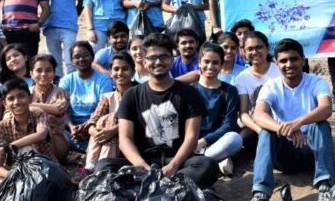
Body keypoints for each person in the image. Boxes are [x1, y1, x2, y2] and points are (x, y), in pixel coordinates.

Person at [117, 33, 219, 188]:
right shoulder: (131, 95)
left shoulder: (189, 93)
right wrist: (142, 167)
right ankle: (168, 188)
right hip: (143, 162)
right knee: (104, 167)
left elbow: (192, 137)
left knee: (207, 166)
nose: (158, 62)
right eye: (152, 58)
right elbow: (125, 139)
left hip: (178, 162)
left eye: (164, 57)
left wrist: (173, 166)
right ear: (144, 61)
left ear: (172, 59)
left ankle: (156, 188)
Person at [249, 38, 335, 201]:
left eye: (294, 59)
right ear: (276, 63)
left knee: (321, 125)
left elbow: (326, 109)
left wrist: (298, 123)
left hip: (312, 150)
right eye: (283, 61)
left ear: (303, 60)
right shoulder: (271, 86)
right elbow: (258, 115)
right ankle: (260, 195)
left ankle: (326, 187)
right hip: (285, 155)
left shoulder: (316, 82)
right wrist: (285, 129)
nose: (289, 64)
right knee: (266, 131)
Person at [0, 78, 56, 188]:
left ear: (30, 98)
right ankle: (22, 188)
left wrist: (6, 148)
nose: (16, 102)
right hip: (18, 176)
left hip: (45, 170)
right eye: (11, 99)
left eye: (21, 96)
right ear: (5, 104)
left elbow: (41, 134)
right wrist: (13, 175)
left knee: (26, 149)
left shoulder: (38, 114)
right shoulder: (2, 127)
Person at [194, 42, 243, 177]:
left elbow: (229, 125)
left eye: (215, 62)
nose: (210, 66)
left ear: (221, 65)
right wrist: (194, 142)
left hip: (219, 142)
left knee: (235, 138)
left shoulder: (229, 91)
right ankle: (217, 161)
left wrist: (203, 141)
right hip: (193, 143)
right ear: (199, 63)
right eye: (206, 62)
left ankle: (204, 161)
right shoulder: (190, 90)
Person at [83, 52, 136, 171]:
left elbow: (140, 120)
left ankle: (99, 168)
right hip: (105, 138)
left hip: (132, 139)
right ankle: (93, 165)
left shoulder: (138, 93)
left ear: (133, 72)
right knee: (102, 121)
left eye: (125, 69)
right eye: (116, 69)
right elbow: (94, 119)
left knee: (111, 119)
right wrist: (95, 132)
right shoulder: (108, 96)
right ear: (111, 73)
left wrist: (114, 130)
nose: (120, 73)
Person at [59, 41, 114, 151]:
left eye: (85, 55)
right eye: (77, 57)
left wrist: (87, 126)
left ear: (92, 56)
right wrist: (71, 127)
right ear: (72, 60)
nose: (81, 59)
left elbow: (104, 109)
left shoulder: (104, 80)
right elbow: (62, 109)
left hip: (95, 124)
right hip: (71, 126)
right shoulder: (66, 80)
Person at [235, 30, 281, 152]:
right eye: (249, 49)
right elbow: (244, 113)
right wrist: (259, 130)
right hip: (257, 125)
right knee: (245, 138)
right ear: (244, 52)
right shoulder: (242, 77)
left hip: (281, 122)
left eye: (259, 47)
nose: (254, 52)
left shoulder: (279, 70)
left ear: (267, 48)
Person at [29, 53, 70, 160]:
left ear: (54, 73)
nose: (43, 74)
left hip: (56, 139)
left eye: (48, 70)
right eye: (38, 70)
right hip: (30, 138)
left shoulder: (60, 92)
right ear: (31, 73)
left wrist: (27, 106)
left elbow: (58, 109)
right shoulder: (25, 92)